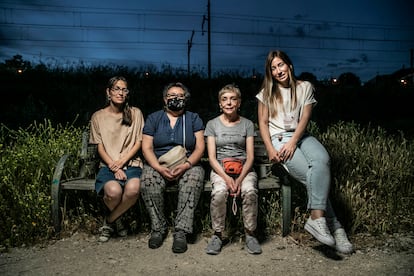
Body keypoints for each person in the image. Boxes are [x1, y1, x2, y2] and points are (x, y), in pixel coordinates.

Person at [256, 50, 354, 254]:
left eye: (281, 65)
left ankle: (316, 219)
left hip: (300, 136)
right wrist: (270, 149)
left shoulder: (305, 87)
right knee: (312, 175)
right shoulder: (266, 92)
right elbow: (263, 124)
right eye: (273, 68)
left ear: (289, 66)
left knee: (322, 161)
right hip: (279, 139)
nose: (278, 71)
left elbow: (304, 119)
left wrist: (294, 142)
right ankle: (335, 226)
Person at [140, 82, 205, 253]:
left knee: (194, 177)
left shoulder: (193, 118)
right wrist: (158, 168)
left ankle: (181, 231)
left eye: (180, 96)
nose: (175, 98)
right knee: (147, 179)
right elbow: (146, 147)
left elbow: (200, 147)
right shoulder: (154, 118)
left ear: (186, 99)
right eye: (171, 95)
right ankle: (158, 228)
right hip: (159, 163)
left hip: (187, 163)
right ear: (164, 99)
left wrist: (187, 165)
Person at [204, 84, 262, 255]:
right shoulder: (212, 124)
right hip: (221, 170)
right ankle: (217, 235)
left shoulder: (247, 124)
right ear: (220, 104)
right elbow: (212, 158)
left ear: (239, 102)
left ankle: (250, 234)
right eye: (224, 99)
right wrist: (228, 179)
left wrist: (238, 179)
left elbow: (250, 157)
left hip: (244, 169)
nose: (229, 103)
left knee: (250, 190)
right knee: (219, 192)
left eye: (233, 99)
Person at [90, 76, 144, 242]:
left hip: (132, 163)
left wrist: (122, 163)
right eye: (116, 89)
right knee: (113, 192)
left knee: (133, 189)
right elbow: (99, 146)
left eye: (124, 89)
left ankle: (110, 220)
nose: (120, 93)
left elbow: (139, 142)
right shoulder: (98, 116)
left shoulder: (135, 113)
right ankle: (120, 222)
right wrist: (115, 167)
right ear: (108, 92)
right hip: (108, 165)